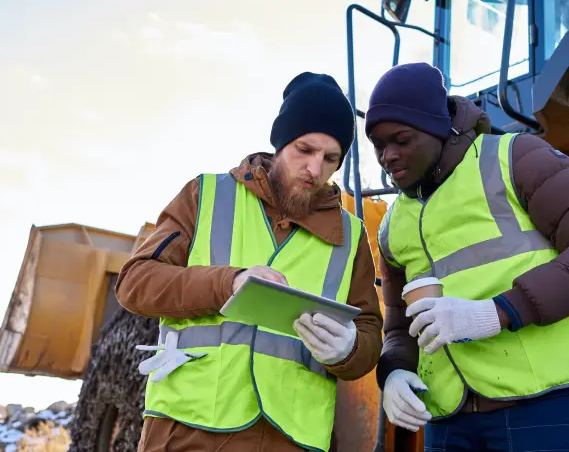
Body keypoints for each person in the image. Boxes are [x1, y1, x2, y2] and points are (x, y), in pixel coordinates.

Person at [364, 62, 569, 452]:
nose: (387, 155)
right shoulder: (392, 226)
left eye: (402, 139)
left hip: (540, 410)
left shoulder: (515, 158)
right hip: (447, 426)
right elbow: (398, 328)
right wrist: (392, 372)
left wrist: (496, 312)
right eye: (378, 145)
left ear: (437, 128)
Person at [116, 72, 383, 452]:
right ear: (280, 144)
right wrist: (230, 283)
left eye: (330, 158)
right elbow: (135, 282)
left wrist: (350, 351)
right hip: (187, 430)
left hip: (290, 439)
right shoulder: (205, 195)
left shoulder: (352, 237)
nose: (314, 169)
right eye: (304, 150)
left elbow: (370, 331)